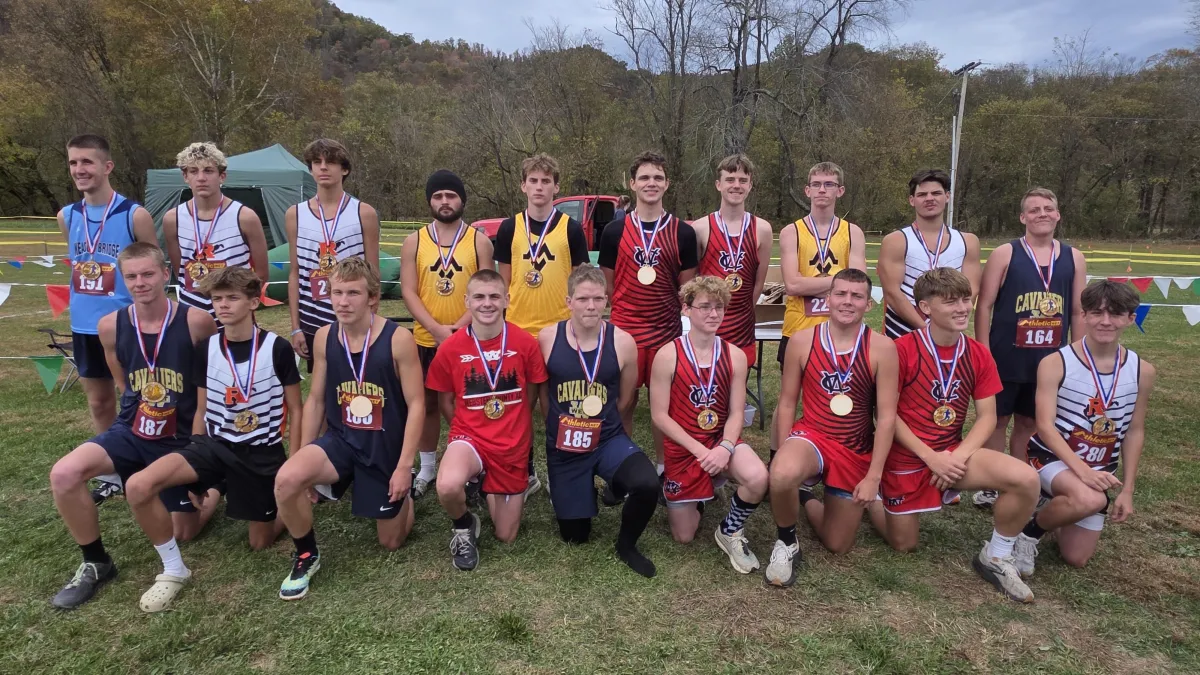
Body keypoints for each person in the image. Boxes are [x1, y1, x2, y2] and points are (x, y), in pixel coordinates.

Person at [47, 242, 218, 610]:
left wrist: (203, 456)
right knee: (64, 474)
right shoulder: (110, 325)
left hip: (182, 437)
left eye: (148, 274)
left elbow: (212, 383)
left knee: (183, 532)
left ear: (165, 274)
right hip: (133, 428)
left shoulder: (197, 321)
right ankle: (96, 561)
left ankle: (216, 488)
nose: (140, 283)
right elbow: (125, 386)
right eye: (132, 276)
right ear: (122, 280)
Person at [123, 266, 302, 611]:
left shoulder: (277, 348)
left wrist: (293, 465)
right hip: (214, 446)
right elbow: (202, 407)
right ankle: (175, 568)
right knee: (139, 486)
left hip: (259, 452)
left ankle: (279, 502)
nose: (223, 306)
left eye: (232, 298)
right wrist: (197, 455)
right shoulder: (205, 348)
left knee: (259, 543)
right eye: (217, 299)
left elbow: (297, 406)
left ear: (253, 302)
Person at [878, 268, 1041, 603]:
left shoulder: (978, 353)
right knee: (904, 545)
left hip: (952, 455)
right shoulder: (900, 350)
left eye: (966, 299)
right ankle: (877, 498)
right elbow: (886, 416)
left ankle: (996, 556)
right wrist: (931, 457)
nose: (963, 308)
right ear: (925, 308)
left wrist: (955, 457)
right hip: (907, 457)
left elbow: (987, 418)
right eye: (950, 301)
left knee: (1025, 478)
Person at [272, 258, 424, 600]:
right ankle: (307, 554)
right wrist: (302, 457)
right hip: (341, 440)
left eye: (352, 293)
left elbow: (417, 404)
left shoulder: (398, 339)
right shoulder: (325, 337)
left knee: (390, 542)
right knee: (286, 479)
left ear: (372, 297)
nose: (342, 301)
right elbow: (316, 402)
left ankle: (406, 493)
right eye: (336, 292)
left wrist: (403, 466)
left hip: (383, 448)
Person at [765, 269, 898, 587]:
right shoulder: (802, 340)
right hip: (812, 435)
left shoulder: (883, 348)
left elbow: (889, 418)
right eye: (840, 294)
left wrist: (873, 477)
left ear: (869, 304)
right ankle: (786, 541)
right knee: (782, 473)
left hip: (854, 447)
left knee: (837, 544)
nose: (847, 301)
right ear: (828, 298)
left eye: (857, 296)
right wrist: (784, 451)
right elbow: (786, 403)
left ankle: (808, 497)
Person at [1017, 281, 1153, 572]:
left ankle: (1058, 503)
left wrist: (1127, 490)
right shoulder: (1056, 362)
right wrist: (1082, 472)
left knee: (1076, 557)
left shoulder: (1143, 371)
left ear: (1131, 318)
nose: (1105, 321)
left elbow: (1134, 430)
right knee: (1089, 497)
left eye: (1116, 314)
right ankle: (1028, 533)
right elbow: (1044, 426)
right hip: (1050, 458)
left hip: (1099, 469)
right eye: (1097, 313)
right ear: (1083, 316)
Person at [538, 266, 661, 578]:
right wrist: (557, 429)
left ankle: (626, 545)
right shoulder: (547, 337)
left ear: (607, 301)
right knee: (575, 536)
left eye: (597, 299)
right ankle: (579, 489)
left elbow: (627, 395)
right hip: (564, 446)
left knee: (647, 483)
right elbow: (542, 395)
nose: (590, 306)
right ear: (568, 301)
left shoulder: (623, 341)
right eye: (582, 299)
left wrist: (605, 427)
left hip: (607, 438)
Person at [57, 134, 159, 503]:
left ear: (107, 166)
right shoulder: (67, 216)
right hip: (85, 325)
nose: (80, 169)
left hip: (127, 327)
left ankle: (150, 462)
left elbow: (153, 267)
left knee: (139, 397)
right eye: (73, 163)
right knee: (100, 402)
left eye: (87, 162)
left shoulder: (134, 215)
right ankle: (113, 470)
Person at [971, 188, 1087, 507]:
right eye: (1034, 210)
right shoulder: (1006, 253)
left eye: (1048, 208)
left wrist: (1076, 357)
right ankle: (994, 481)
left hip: (1048, 361)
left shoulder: (1073, 257)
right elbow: (985, 306)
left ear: (1058, 214)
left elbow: (1077, 311)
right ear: (1023, 217)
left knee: (1030, 422)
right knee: (996, 420)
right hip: (1005, 356)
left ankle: (1022, 480)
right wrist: (983, 351)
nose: (1042, 214)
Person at [426, 270, 548, 571]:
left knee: (506, 534)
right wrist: (467, 430)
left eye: (494, 296)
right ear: (467, 301)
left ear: (507, 299)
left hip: (511, 444)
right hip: (471, 438)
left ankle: (490, 481)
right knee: (447, 485)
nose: (487, 303)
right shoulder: (450, 348)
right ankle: (465, 524)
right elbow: (445, 401)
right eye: (479, 296)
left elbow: (530, 393)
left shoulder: (524, 343)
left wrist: (514, 425)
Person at [651, 276, 769, 573]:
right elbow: (659, 416)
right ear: (686, 309)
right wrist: (701, 453)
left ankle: (729, 531)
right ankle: (695, 493)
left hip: (719, 439)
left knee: (758, 477)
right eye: (704, 306)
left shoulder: (736, 356)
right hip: (684, 447)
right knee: (684, 536)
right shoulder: (667, 355)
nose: (713, 313)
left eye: (718, 307)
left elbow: (736, 412)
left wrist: (725, 447)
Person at [598, 151, 698, 482]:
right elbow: (608, 285)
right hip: (625, 332)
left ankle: (663, 466)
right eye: (644, 177)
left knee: (664, 409)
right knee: (623, 403)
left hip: (665, 333)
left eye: (657, 177)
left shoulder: (683, 233)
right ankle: (625, 466)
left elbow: (688, 290)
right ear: (632, 183)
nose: (651, 183)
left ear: (667, 184)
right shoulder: (614, 231)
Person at [494, 154, 590, 496]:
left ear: (556, 187)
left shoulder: (571, 228)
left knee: (558, 407)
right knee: (519, 408)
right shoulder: (509, 228)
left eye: (545, 181)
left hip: (559, 332)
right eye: (533, 180)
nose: (539, 187)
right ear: (523, 185)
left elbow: (581, 284)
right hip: (518, 330)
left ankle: (559, 471)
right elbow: (504, 284)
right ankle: (527, 472)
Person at [400, 170, 494, 499]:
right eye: (438, 196)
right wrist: (437, 330)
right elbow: (409, 292)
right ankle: (427, 465)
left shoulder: (478, 240)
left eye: (450, 195)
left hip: (469, 338)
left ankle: (475, 458)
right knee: (425, 404)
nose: (444, 201)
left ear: (462, 200)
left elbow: (487, 289)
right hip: (427, 339)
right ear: (430, 200)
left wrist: (459, 327)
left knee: (469, 402)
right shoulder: (415, 240)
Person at [773, 162, 867, 455]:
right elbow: (793, 286)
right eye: (817, 184)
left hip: (842, 331)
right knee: (788, 397)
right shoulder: (792, 232)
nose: (822, 190)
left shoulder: (853, 233)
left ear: (840, 190)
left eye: (829, 184)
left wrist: (818, 283)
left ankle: (839, 453)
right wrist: (838, 285)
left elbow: (858, 284)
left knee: (842, 392)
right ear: (807, 190)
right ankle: (777, 456)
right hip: (798, 327)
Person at [286, 138, 381, 372]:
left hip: (353, 319)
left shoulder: (363, 213)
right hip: (312, 319)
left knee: (354, 389)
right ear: (310, 169)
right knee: (321, 392)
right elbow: (295, 273)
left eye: (330, 162)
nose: (323, 167)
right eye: (317, 162)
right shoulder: (294, 214)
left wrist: (371, 319)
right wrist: (296, 327)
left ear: (345, 169)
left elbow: (373, 273)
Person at [162, 142, 269, 317]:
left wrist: (239, 307)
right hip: (192, 313)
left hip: (234, 316)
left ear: (222, 176)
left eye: (208, 171)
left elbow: (262, 274)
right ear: (185, 177)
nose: (201, 178)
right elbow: (180, 269)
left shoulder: (244, 217)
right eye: (194, 171)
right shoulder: (172, 219)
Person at [878, 168, 981, 339]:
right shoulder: (896, 241)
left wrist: (949, 321)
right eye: (922, 194)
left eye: (936, 193)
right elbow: (892, 293)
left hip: (949, 332)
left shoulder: (968, 242)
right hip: (903, 332)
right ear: (912, 200)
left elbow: (970, 290)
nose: (929, 199)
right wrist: (928, 330)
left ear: (947, 197)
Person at [692, 154, 773, 369]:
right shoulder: (700, 228)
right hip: (707, 320)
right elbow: (692, 281)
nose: (736, 186)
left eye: (742, 180)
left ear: (750, 186)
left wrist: (743, 311)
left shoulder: (762, 229)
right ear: (718, 185)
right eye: (730, 180)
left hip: (742, 322)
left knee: (738, 377)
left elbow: (758, 282)